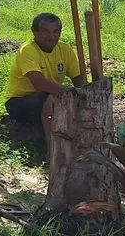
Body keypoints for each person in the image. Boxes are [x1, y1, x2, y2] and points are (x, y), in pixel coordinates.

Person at [6, 12, 84, 140]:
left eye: (56, 32)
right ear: (34, 32)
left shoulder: (65, 50)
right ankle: (50, 144)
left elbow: (78, 79)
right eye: (46, 31)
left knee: (64, 98)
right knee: (52, 96)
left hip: (49, 97)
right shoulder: (27, 50)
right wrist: (70, 93)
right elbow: (39, 83)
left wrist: (84, 94)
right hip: (20, 102)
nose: (51, 36)